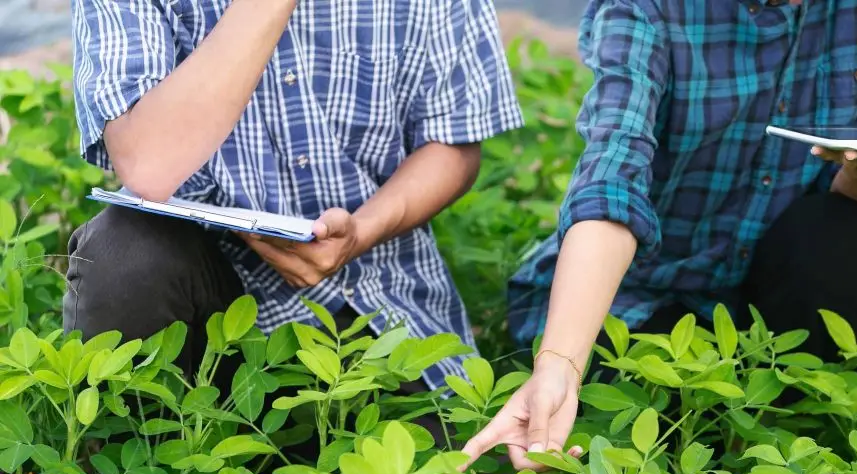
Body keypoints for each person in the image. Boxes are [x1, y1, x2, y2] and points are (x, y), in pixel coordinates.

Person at [461, 0, 857, 470]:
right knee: (661, 423)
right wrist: (560, 365)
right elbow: (613, 182)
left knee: (840, 235)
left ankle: (800, 440)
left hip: (780, 288)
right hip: (645, 289)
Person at [65, 0, 522, 392]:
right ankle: (149, 473)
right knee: (120, 254)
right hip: (205, 298)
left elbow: (452, 144)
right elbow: (148, 160)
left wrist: (364, 229)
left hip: (376, 303)